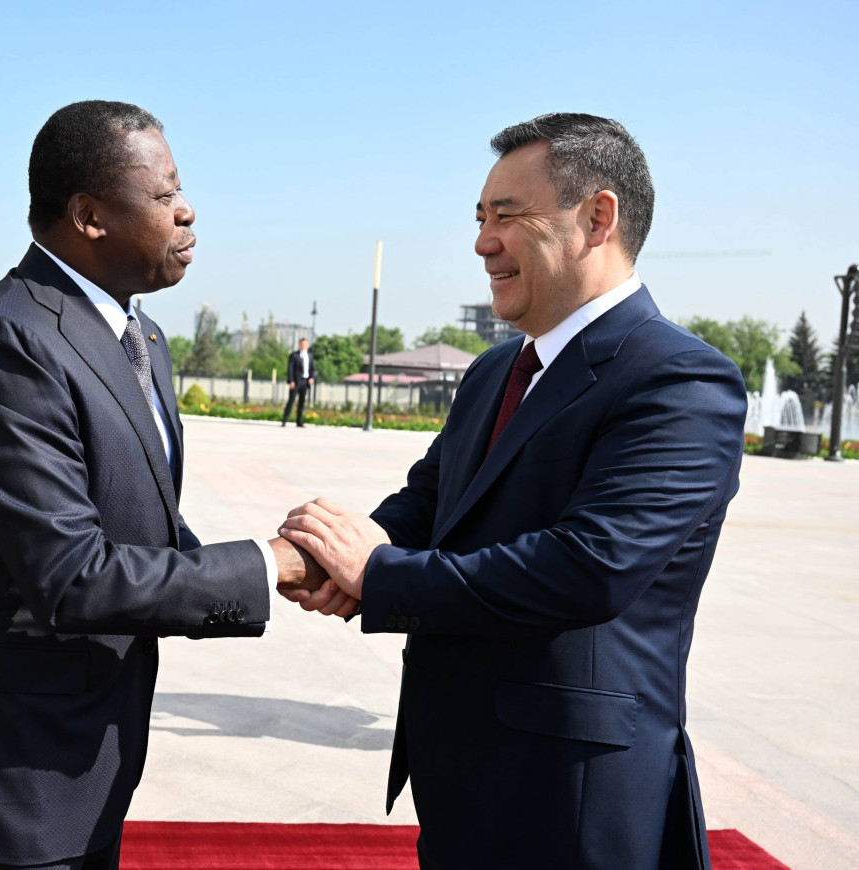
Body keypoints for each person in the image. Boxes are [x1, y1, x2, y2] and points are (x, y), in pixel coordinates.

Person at [0, 100, 327, 870]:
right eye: (165, 192)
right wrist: (265, 566)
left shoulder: (140, 337)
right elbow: (72, 574)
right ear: (89, 216)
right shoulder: (7, 341)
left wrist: (278, 571)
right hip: (7, 765)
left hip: (89, 746)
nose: (187, 211)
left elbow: (145, 528)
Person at [279, 113, 747, 869]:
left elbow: (590, 567)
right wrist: (324, 555)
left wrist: (379, 574)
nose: (482, 242)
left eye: (507, 216)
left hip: (572, 795)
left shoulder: (678, 379)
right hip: (459, 772)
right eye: (479, 218)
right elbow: (430, 503)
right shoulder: (495, 371)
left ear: (597, 218)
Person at [281, 337, 316, 427]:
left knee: (302, 402)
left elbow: (312, 369)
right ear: (299, 345)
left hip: (305, 382)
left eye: (305, 344)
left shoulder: (310, 356)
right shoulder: (294, 355)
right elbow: (290, 368)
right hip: (296, 382)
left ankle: (299, 421)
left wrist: (312, 378)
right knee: (291, 401)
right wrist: (291, 381)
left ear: (308, 345)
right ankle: (285, 420)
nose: (303, 345)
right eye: (302, 344)